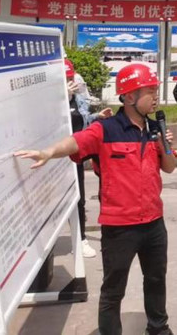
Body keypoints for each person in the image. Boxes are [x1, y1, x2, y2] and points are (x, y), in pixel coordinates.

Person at [15, 63, 176, 335]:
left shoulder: (154, 129)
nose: (155, 97)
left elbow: (169, 167)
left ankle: (158, 328)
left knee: (156, 279)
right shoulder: (105, 129)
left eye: (155, 90)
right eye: (149, 91)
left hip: (153, 223)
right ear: (129, 97)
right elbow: (76, 142)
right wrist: (48, 152)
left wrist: (165, 145)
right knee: (114, 289)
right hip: (119, 227)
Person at [65, 58, 112, 259]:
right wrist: (63, 98)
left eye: (70, 78)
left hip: (75, 154)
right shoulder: (51, 101)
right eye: (65, 79)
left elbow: (83, 120)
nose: (70, 83)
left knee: (79, 198)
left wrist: (97, 117)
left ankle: (81, 238)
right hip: (57, 157)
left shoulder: (78, 99)